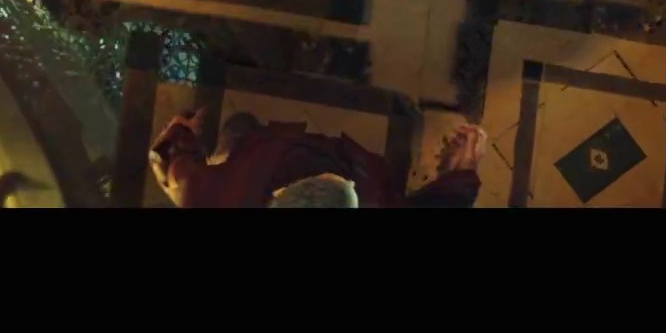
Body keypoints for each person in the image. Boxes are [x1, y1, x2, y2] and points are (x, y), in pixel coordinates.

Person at [149, 108, 487, 208]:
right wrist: (460, 175)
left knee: (241, 124)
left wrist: (180, 132)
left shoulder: (212, 194)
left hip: (271, 155)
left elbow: (172, 167)